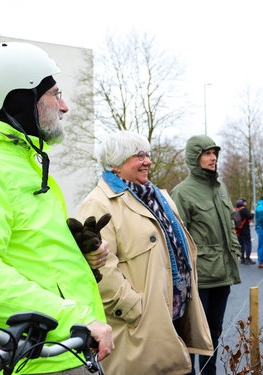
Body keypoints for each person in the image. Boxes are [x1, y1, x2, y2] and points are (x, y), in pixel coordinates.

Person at [0, 42, 113, 374]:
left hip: (61, 349)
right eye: (55, 94)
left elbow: (29, 253)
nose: (64, 107)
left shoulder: (26, 161)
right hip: (28, 358)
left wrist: (78, 255)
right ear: (20, 100)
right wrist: (74, 319)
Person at [77, 131, 213, 375]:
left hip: (175, 315)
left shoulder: (159, 196)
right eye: (139, 156)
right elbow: (100, 269)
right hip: (141, 324)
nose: (148, 161)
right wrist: (133, 308)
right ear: (115, 164)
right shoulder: (98, 203)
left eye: (148, 155)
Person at [171, 135, 241, 375]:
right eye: (207, 153)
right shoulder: (182, 192)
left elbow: (230, 226)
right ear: (195, 157)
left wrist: (236, 253)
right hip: (199, 278)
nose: (213, 158)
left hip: (223, 274)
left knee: (214, 333)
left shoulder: (220, 187)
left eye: (215, 154)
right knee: (192, 336)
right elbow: (179, 239)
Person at [235, 198, 255, 265]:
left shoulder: (235, 210)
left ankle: (242, 258)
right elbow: (250, 217)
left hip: (238, 230)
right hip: (245, 230)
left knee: (241, 245)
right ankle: (248, 258)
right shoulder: (244, 209)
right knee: (247, 244)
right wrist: (252, 214)